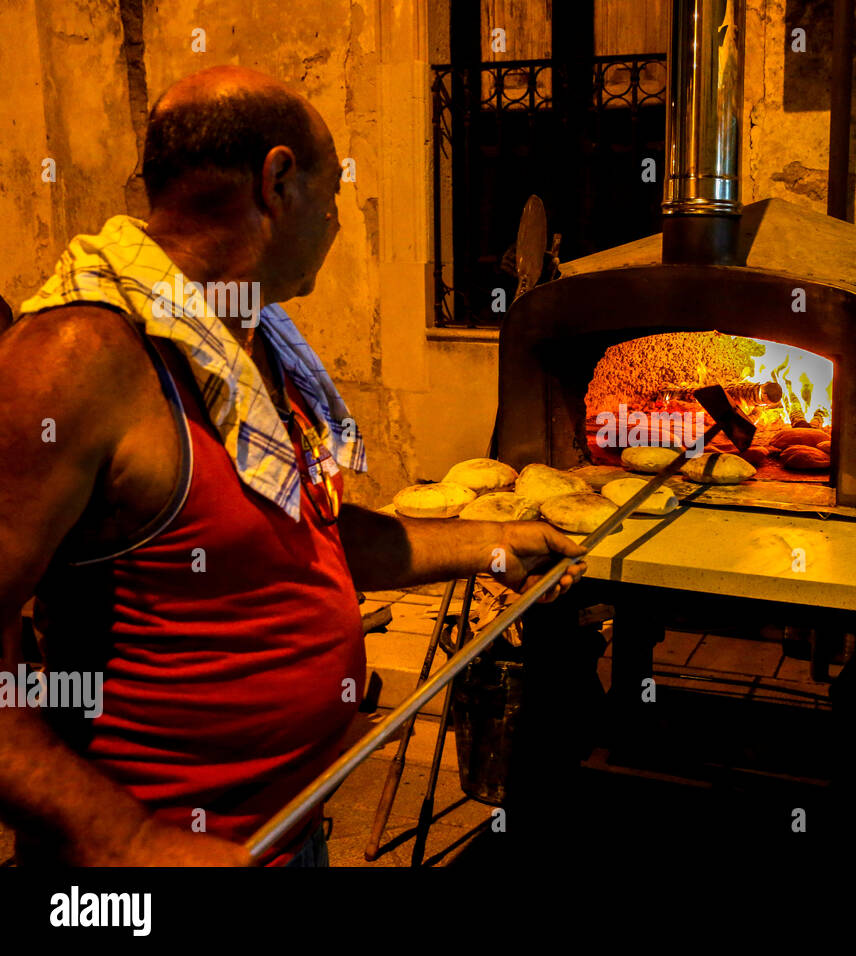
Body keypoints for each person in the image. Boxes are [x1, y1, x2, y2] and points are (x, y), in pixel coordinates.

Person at [0, 66, 586, 866]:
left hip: (288, 833)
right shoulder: (79, 360)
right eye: (334, 189)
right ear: (278, 181)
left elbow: (310, 539)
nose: (339, 219)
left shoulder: (244, 345)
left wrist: (495, 539)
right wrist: (123, 837)